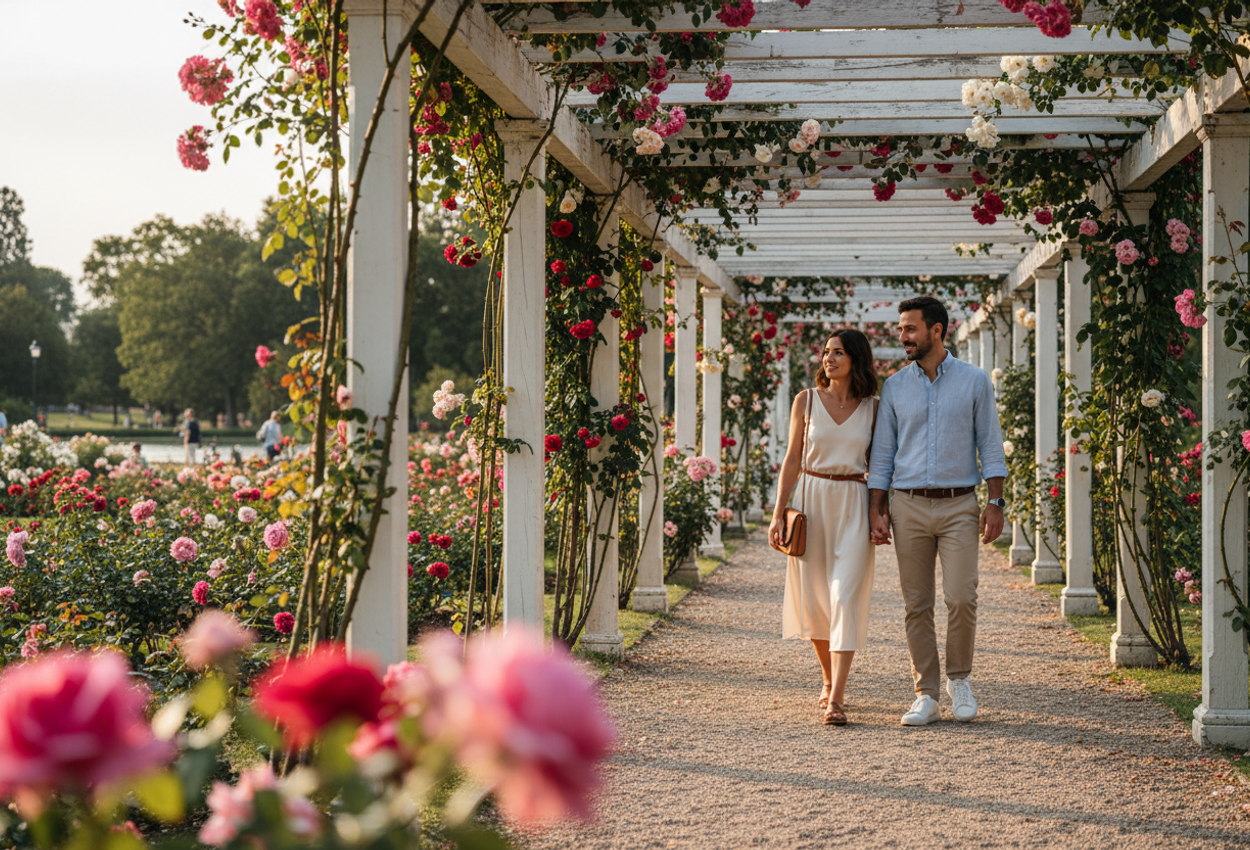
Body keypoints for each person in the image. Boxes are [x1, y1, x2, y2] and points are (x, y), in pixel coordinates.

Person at [868, 296, 1007, 727]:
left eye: (911, 329)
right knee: (917, 604)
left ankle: (959, 680)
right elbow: (883, 455)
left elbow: (990, 444)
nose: (903, 336)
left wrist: (996, 503)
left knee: (962, 597)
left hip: (960, 504)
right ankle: (926, 693)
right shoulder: (894, 386)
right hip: (907, 505)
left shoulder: (974, 381)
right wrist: (878, 509)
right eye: (901, 328)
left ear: (937, 330)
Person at [769, 328, 878, 726]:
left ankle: (837, 697)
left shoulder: (874, 407)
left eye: (838, 353)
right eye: (827, 353)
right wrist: (779, 512)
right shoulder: (806, 401)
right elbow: (792, 460)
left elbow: (880, 465)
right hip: (811, 501)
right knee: (816, 600)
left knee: (843, 597)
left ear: (855, 360)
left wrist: (880, 511)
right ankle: (828, 677)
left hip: (853, 501)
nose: (829, 359)